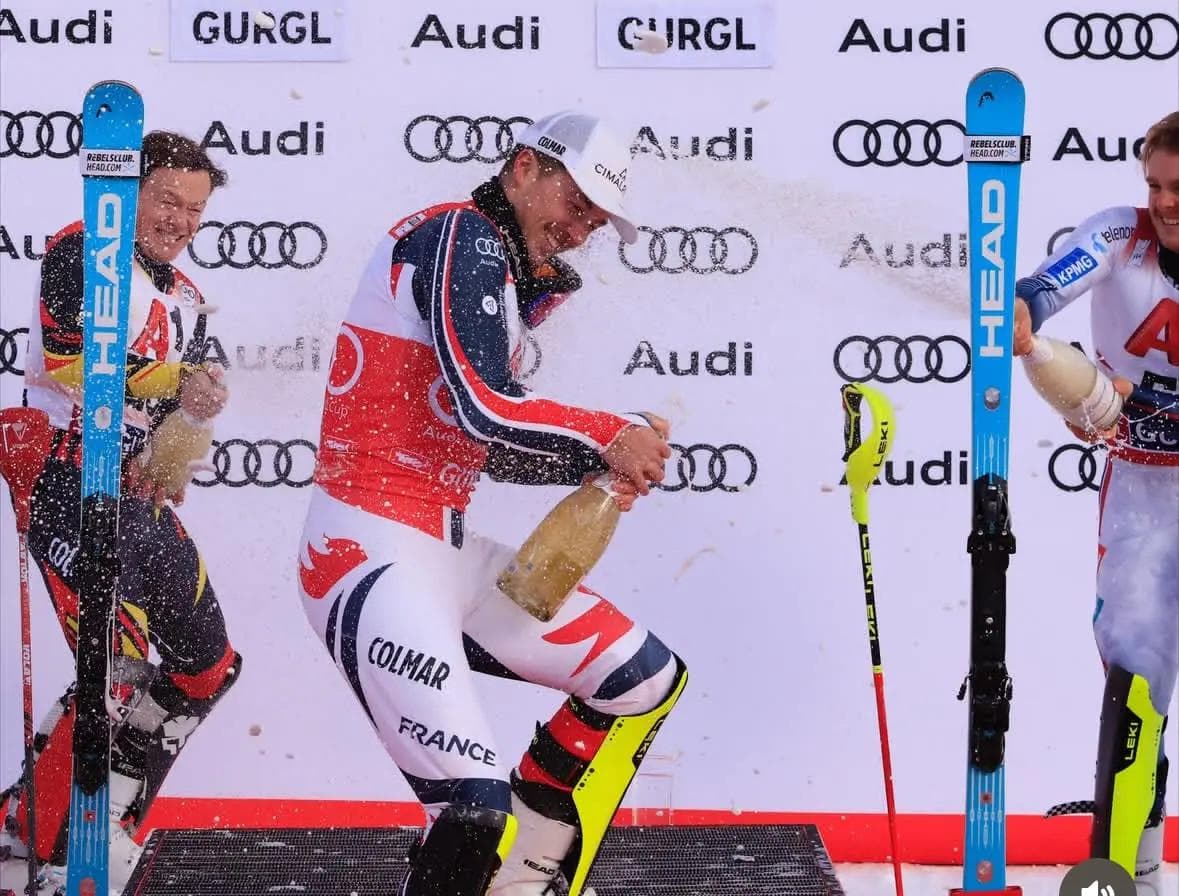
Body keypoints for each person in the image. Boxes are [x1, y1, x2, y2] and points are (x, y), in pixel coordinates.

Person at [297, 110, 687, 896]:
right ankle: (500, 861)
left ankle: (526, 878)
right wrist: (608, 433)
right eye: (572, 204)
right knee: (474, 812)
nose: (579, 231)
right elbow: (485, 404)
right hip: (368, 555)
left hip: (442, 553)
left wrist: (594, 465)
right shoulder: (462, 235)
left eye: (594, 220)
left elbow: (485, 443)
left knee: (642, 678)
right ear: (521, 169)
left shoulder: (500, 275)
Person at [0, 131, 241, 894]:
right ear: (128, 192)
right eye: (167, 199)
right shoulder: (84, 250)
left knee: (207, 666)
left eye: (195, 210)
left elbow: (174, 410)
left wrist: (187, 430)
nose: (180, 220)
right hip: (69, 485)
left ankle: (103, 816)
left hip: (133, 495)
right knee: (118, 667)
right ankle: (39, 845)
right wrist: (179, 379)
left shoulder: (190, 298)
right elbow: (72, 359)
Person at [1014, 111, 1179, 895]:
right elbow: (1051, 282)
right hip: (1145, 497)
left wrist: (1131, 400)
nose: (1164, 202)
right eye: (1152, 184)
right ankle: (1126, 874)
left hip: (1147, 451)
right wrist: (1023, 311)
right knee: (1134, 679)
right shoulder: (1121, 234)